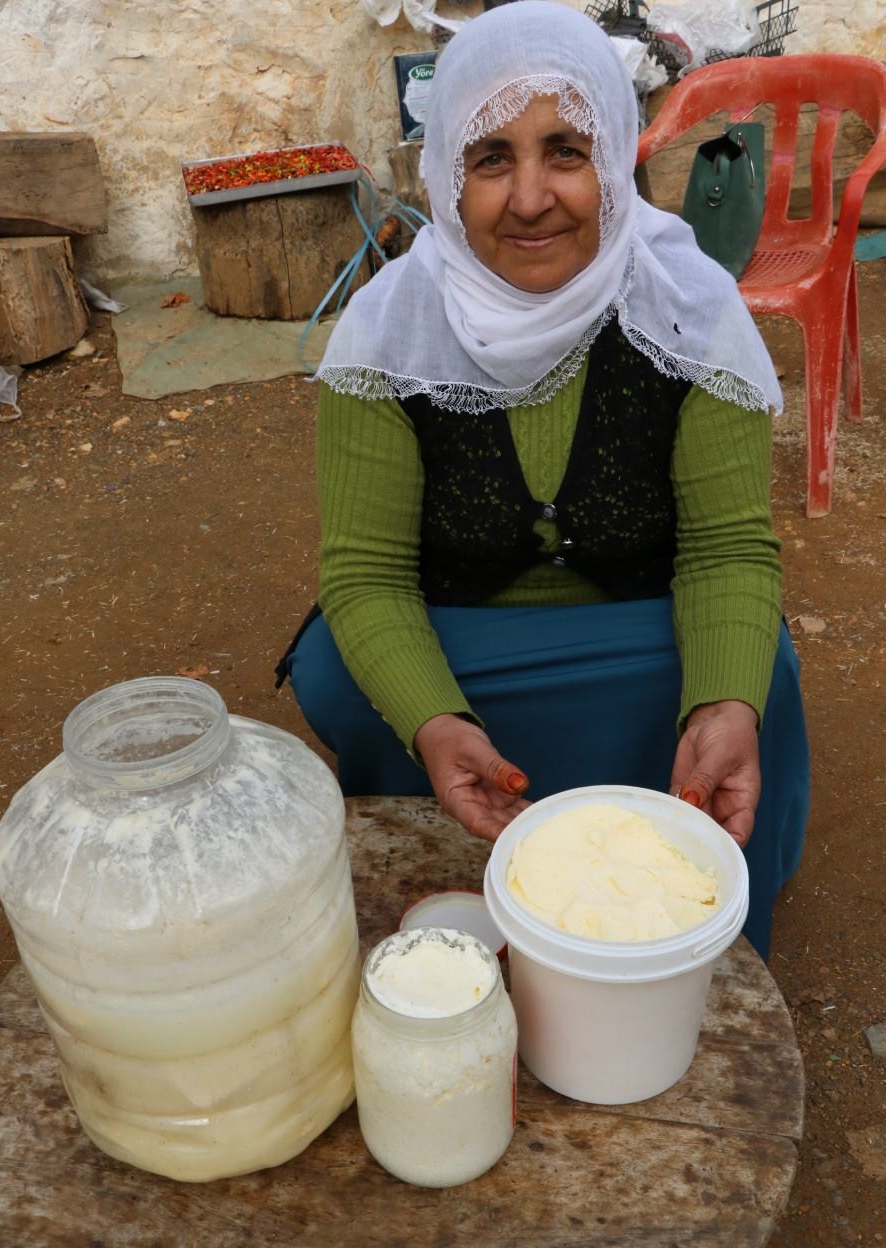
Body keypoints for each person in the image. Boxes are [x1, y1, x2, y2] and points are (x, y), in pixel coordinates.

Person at [280, 0, 809, 959]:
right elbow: (364, 574)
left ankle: (707, 936)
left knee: (754, 671)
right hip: (461, 631)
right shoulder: (386, 331)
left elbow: (728, 549)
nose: (530, 198)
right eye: (491, 159)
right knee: (338, 675)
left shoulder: (692, 309)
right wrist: (434, 720)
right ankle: (444, 875)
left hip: (637, 626)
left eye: (567, 151)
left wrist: (724, 699)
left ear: (616, 163)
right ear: (445, 171)